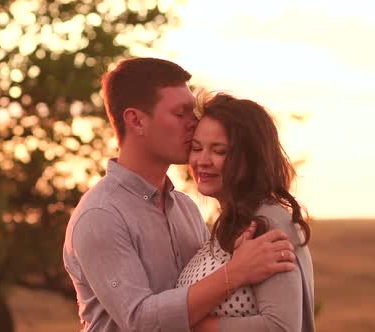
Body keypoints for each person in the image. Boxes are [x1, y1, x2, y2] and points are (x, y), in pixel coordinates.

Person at [62, 57, 297, 332]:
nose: (194, 122)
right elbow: (140, 321)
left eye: (192, 113)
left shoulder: (186, 207)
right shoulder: (101, 215)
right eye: (180, 113)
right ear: (136, 120)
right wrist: (235, 272)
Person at [179, 92, 314, 331]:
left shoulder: (266, 222)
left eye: (219, 151)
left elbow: (280, 327)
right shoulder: (231, 222)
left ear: (251, 158)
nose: (202, 160)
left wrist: (188, 325)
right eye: (197, 148)